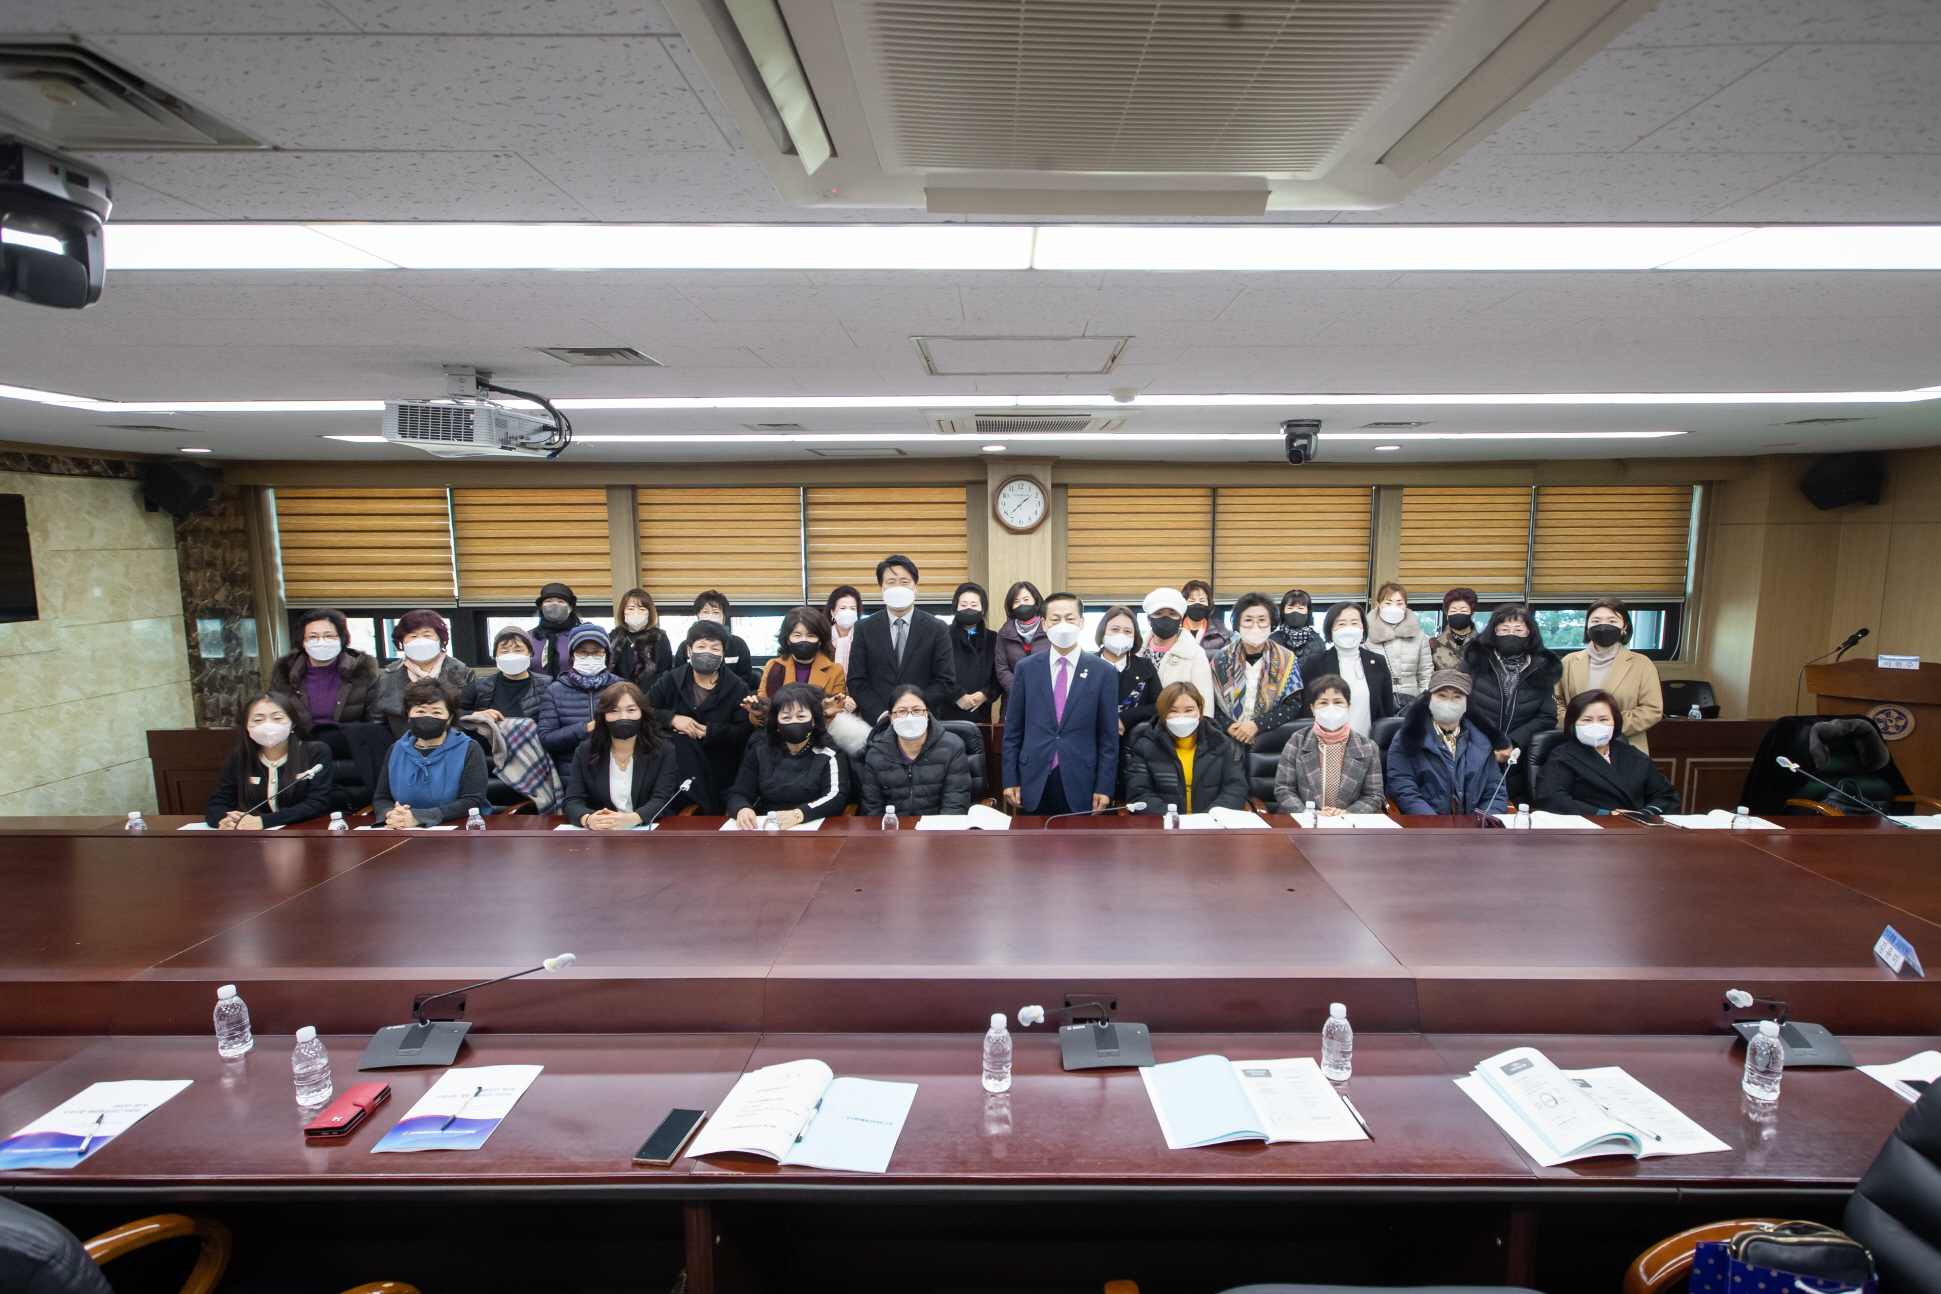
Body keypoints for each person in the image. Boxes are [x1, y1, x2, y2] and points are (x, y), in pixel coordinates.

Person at [1001, 593, 1119, 816]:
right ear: (1044, 624)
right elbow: (1013, 730)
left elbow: (1108, 737)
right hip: (1033, 778)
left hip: (1082, 779)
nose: (1063, 624)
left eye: (1070, 618)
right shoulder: (1026, 668)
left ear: (1082, 622)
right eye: (1055, 619)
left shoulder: (1103, 672)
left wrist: (1104, 786)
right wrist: (1010, 778)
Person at [647, 619, 754, 811]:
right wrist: (672, 718)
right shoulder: (670, 680)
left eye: (715, 648)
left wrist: (709, 732)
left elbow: (743, 731)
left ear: (723, 653)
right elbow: (644, 710)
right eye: (701, 646)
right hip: (675, 767)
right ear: (689, 650)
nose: (707, 653)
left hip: (719, 766)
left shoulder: (738, 687)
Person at [1460, 604, 1563, 798]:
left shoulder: (1543, 667)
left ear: (1529, 633)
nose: (1511, 634)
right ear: (1494, 631)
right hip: (1474, 747)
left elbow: (1547, 716)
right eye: (1504, 629)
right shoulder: (1474, 660)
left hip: (1518, 754)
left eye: (1518, 630)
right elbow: (1462, 704)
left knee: (1510, 806)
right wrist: (1492, 740)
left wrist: (1511, 742)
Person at [845, 554, 957, 723]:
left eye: (904, 582)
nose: (898, 587)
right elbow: (857, 681)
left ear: (916, 587)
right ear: (881, 589)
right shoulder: (864, 628)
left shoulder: (937, 628)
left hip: (924, 720)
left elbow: (945, 680)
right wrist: (882, 714)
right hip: (878, 721)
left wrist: (913, 710)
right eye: (891, 582)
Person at [1385, 670, 1512, 817]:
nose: (1448, 702)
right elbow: (1404, 791)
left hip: (1474, 825)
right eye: (1442, 695)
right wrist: (1436, 825)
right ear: (1428, 699)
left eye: (1457, 697)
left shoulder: (1483, 741)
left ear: (1467, 703)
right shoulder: (1407, 738)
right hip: (1425, 824)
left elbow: (1495, 792)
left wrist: (1482, 822)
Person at [1537, 689, 1681, 817]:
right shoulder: (1562, 756)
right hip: (1588, 827)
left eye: (1603, 719)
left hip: (1637, 827)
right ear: (1573, 724)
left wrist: (1643, 814)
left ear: (1615, 722)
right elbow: (1553, 798)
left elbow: (1666, 796)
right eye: (1587, 720)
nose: (1595, 725)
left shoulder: (1633, 754)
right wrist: (1606, 815)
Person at [727, 682, 854, 827]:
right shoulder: (761, 749)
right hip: (767, 825)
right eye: (786, 718)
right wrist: (742, 809)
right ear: (776, 722)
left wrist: (798, 814)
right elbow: (739, 792)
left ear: (813, 721)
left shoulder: (829, 753)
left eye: (801, 716)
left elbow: (835, 798)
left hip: (812, 824)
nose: (794, 722)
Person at [562, 681, 684, 829]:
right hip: (601, 833)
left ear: (642, 713)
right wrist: (588, 819)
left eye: (631, 710)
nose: (623, 717)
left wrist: (632, 819)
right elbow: (573, 800)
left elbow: (662, 799)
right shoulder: (586, 750)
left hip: (647, 830)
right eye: (614, 711)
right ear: (603, 715)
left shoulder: (663, 749)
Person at [203, 692, 335, 828]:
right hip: (254, 835)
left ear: (293, 723)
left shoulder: (315, 751)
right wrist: (225, 821)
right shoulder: (239, 756)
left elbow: (318, 804)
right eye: (258, 720)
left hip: (305, 832)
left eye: (277, 718)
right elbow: (217, 804)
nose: (267, 725)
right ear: (247, 725)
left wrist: (264, 821)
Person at [371, 678, 490, 827]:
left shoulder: (469, 748)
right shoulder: (396, 749)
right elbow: (381, 797)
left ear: (450, 717)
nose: (427, 717)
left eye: (436, 712)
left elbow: (472, 800)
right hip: (401, 828)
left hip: (456, 828)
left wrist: (420, 817)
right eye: (420, 711)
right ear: (408, 714)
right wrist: (391, 815)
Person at [1553, 597, 1665, 754]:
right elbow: (1556, 702)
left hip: (1625, 747)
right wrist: (1578, 727)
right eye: (1596, 621)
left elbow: (1652, 709)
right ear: (1587, 626)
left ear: (1625, 627)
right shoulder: (1569, 661)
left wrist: (1607, 728)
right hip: (1575, 746)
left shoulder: (1642, 664)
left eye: (1612, 621)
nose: (1603, 626)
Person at [1122, 681, 1248, 815]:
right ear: (1162, 713)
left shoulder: (1219, 743)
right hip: (1165, 823)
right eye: (1173, 711)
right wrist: (1174, 819)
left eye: (1189, 710)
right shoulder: (1145, 747)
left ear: (1199, 711)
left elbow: (1236, 788)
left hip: (1211, 823)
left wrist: (1208, 817)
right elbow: (1139, 794)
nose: (1181, 717)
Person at [1273, 675, 1385, 816]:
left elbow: (1373, 796)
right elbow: (1284, 789)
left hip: (1347, 824)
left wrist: (1347, 814)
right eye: (1323, 703)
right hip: (1302, 821)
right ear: (1313, 708)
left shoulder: (1367, 747)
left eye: (1338, 702)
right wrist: (1309, 815)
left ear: (1348, 706)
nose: (1331, 708)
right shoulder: (1297, 741)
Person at [1210, 591, 1305, 756]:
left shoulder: (1286, 658)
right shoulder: (1221, 658)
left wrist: (1257, 724)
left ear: (1271, 623)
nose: (1255, 626)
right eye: (1248, 620)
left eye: (1262, 620)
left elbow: (1292, 705)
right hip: (1226, 741)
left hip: (1268, 743)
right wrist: (1229, 726)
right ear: (1237, 624)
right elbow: (1210, 702)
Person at [857, 684, 973, 817]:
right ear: (891, 718)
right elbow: (872, 808)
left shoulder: (952, 747)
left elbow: (955, 804)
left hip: (938, 827)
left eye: (916, 710)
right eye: (902, 711)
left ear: (927, 714)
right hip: (892, 828)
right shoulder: (876, 753)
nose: (910, 717)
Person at [369, 610, 475, 736]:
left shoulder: (462, 674)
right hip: (401, 743)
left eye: (427, 635)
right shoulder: (388, 677)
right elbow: (377, 721)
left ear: (441, 640)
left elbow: (471, 717)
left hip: (453, 743)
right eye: (412, 636)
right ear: (402, 642)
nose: (420, 641)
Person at [535, 623, 622, 775]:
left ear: (606, 655)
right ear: (572, 655)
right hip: (571, 773)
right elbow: (547, 739)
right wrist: (585, 729)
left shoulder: (621, 688)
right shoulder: (555, 690)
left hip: (616, 769)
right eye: (582, 652)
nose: (590, 657)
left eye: (597, 652)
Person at [269, 608, 378, 728]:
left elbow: (373, 720)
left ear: (341, 639)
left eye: (329, 636)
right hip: (300, 739)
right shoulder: (284, 674)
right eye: (312, 637)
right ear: (302, 642)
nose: (321, 642)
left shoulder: (362, 673)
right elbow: (273, 716)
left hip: (349, 738)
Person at [1298, 603, 1395, 736]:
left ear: (1363, 627)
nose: (1349, 628)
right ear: (1330, 628)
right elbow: (1305, 707)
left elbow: (1387, 707)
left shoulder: (1377, 662)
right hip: (1325, 740)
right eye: (1341, 623)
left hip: (1368, 741)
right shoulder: (1315, 662)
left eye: (1354, 623)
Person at [756, 606, 854, 712]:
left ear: (820, 640)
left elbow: (835, 709)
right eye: (797, 635)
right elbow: (763, 708)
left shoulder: (835, 670)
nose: (804, 640)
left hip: (821, 722)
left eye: (811, 636)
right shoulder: (773, 666)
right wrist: (757, 710)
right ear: (787, 639)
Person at [1139, 587, 1215, 708]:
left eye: (1172, 614)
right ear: (1149, 619)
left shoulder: (1195, 654)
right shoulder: (1135, 652)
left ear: (1180, 619)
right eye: (1159, 613)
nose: (1165, 619)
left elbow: (1204, 701)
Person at [1096, 605, 1161, 738]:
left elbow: (1159, 705)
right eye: (1115, 629)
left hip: (1134, 741)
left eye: (1127, 631)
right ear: (1102, 633)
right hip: (1091, 740)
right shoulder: (1086, 666)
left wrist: (1124, 717)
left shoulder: (1145, 667)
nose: (1121, 635)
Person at [675, 590, 760, 690]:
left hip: (732, 695)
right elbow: (678, 677)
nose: (710, 616)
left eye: (716, 612)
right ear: (698, 614)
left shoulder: (738, 644)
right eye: (705, 612)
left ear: (724, 616)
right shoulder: (685, 645)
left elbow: (745, 677)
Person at [1368, 582, 1434, 706]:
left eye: (1399, 603)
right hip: (1377, 701)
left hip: (1412, 701)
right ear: (1378, 605)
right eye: (1388, 603)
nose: (1394, 607)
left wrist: (1423, 701)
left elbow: (1425, 673)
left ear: (1406, 606)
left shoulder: (1419, 636)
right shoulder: (1366, 637)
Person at [946, 582, 999, 722]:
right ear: (956, 607)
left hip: (980, 712)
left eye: (974, 605)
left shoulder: (993, 638)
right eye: (963, 605)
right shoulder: (942, 635)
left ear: (983, 609)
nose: (968, 609)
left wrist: (986, 694)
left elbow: (998, 674)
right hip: (947, 712)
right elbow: (935, 672)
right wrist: (956, 695)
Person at [470, 626, 545, 721]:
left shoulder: (546, 685)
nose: (511, 656)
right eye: (504, 651)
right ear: (495, 656)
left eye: (518, 650)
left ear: (530, 654)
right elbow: (455, 711)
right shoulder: (480, 685)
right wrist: (475, 714)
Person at [610, 588, 673, 690]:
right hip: (617, 693)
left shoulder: (659, 638)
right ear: (623, 611)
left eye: (642, 609)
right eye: (631, 609)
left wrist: (639, 693)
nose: (636, 613)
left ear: (649, 613)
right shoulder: (613, 638)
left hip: (650, 694)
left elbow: (664, 672)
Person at [993, 579, 1046, 697]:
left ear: (1036, 600)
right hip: (1014, 696)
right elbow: (1001, 667)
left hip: (1045, 695)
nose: (1022, 604)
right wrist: (1017, 689)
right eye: (1016, 602)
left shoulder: (1049, 629)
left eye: (1026, 599)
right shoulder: (1004, 633)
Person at [530, 582, 582, 678]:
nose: (554, 605)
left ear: (570, 607)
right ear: (541, 606)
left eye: (561, 601)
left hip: (573, 686)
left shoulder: (580, 635)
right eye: (548, 601)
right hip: (537, 687)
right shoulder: (529, 637)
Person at [1431, 586, 1480, 672]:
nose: (1458, 613)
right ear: (1447, 615)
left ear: (1472, 614)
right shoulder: (1433, 644)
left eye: (1463, 611)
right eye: (1453, 611)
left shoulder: (1484, 644)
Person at [1181, 579, 1230, 654]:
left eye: (1202, 601)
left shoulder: (1221, 633)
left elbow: (1228, 658)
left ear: (1209, 603)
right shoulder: (1174, 631)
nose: (1197, 604)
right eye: (1192, 601)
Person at [825, 585, 863, 673]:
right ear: (833, 613)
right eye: (843, 608)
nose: (848, 612)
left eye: (852, 608)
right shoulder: (824, 638)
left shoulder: (864, 638)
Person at [1270, 589, 1317, 655]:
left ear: (1308, 611)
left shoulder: (1316, 641)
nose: (1295, 612)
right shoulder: (1272, 640)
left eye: (1300, 608)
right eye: (1290, 608)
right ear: (1283, 611)